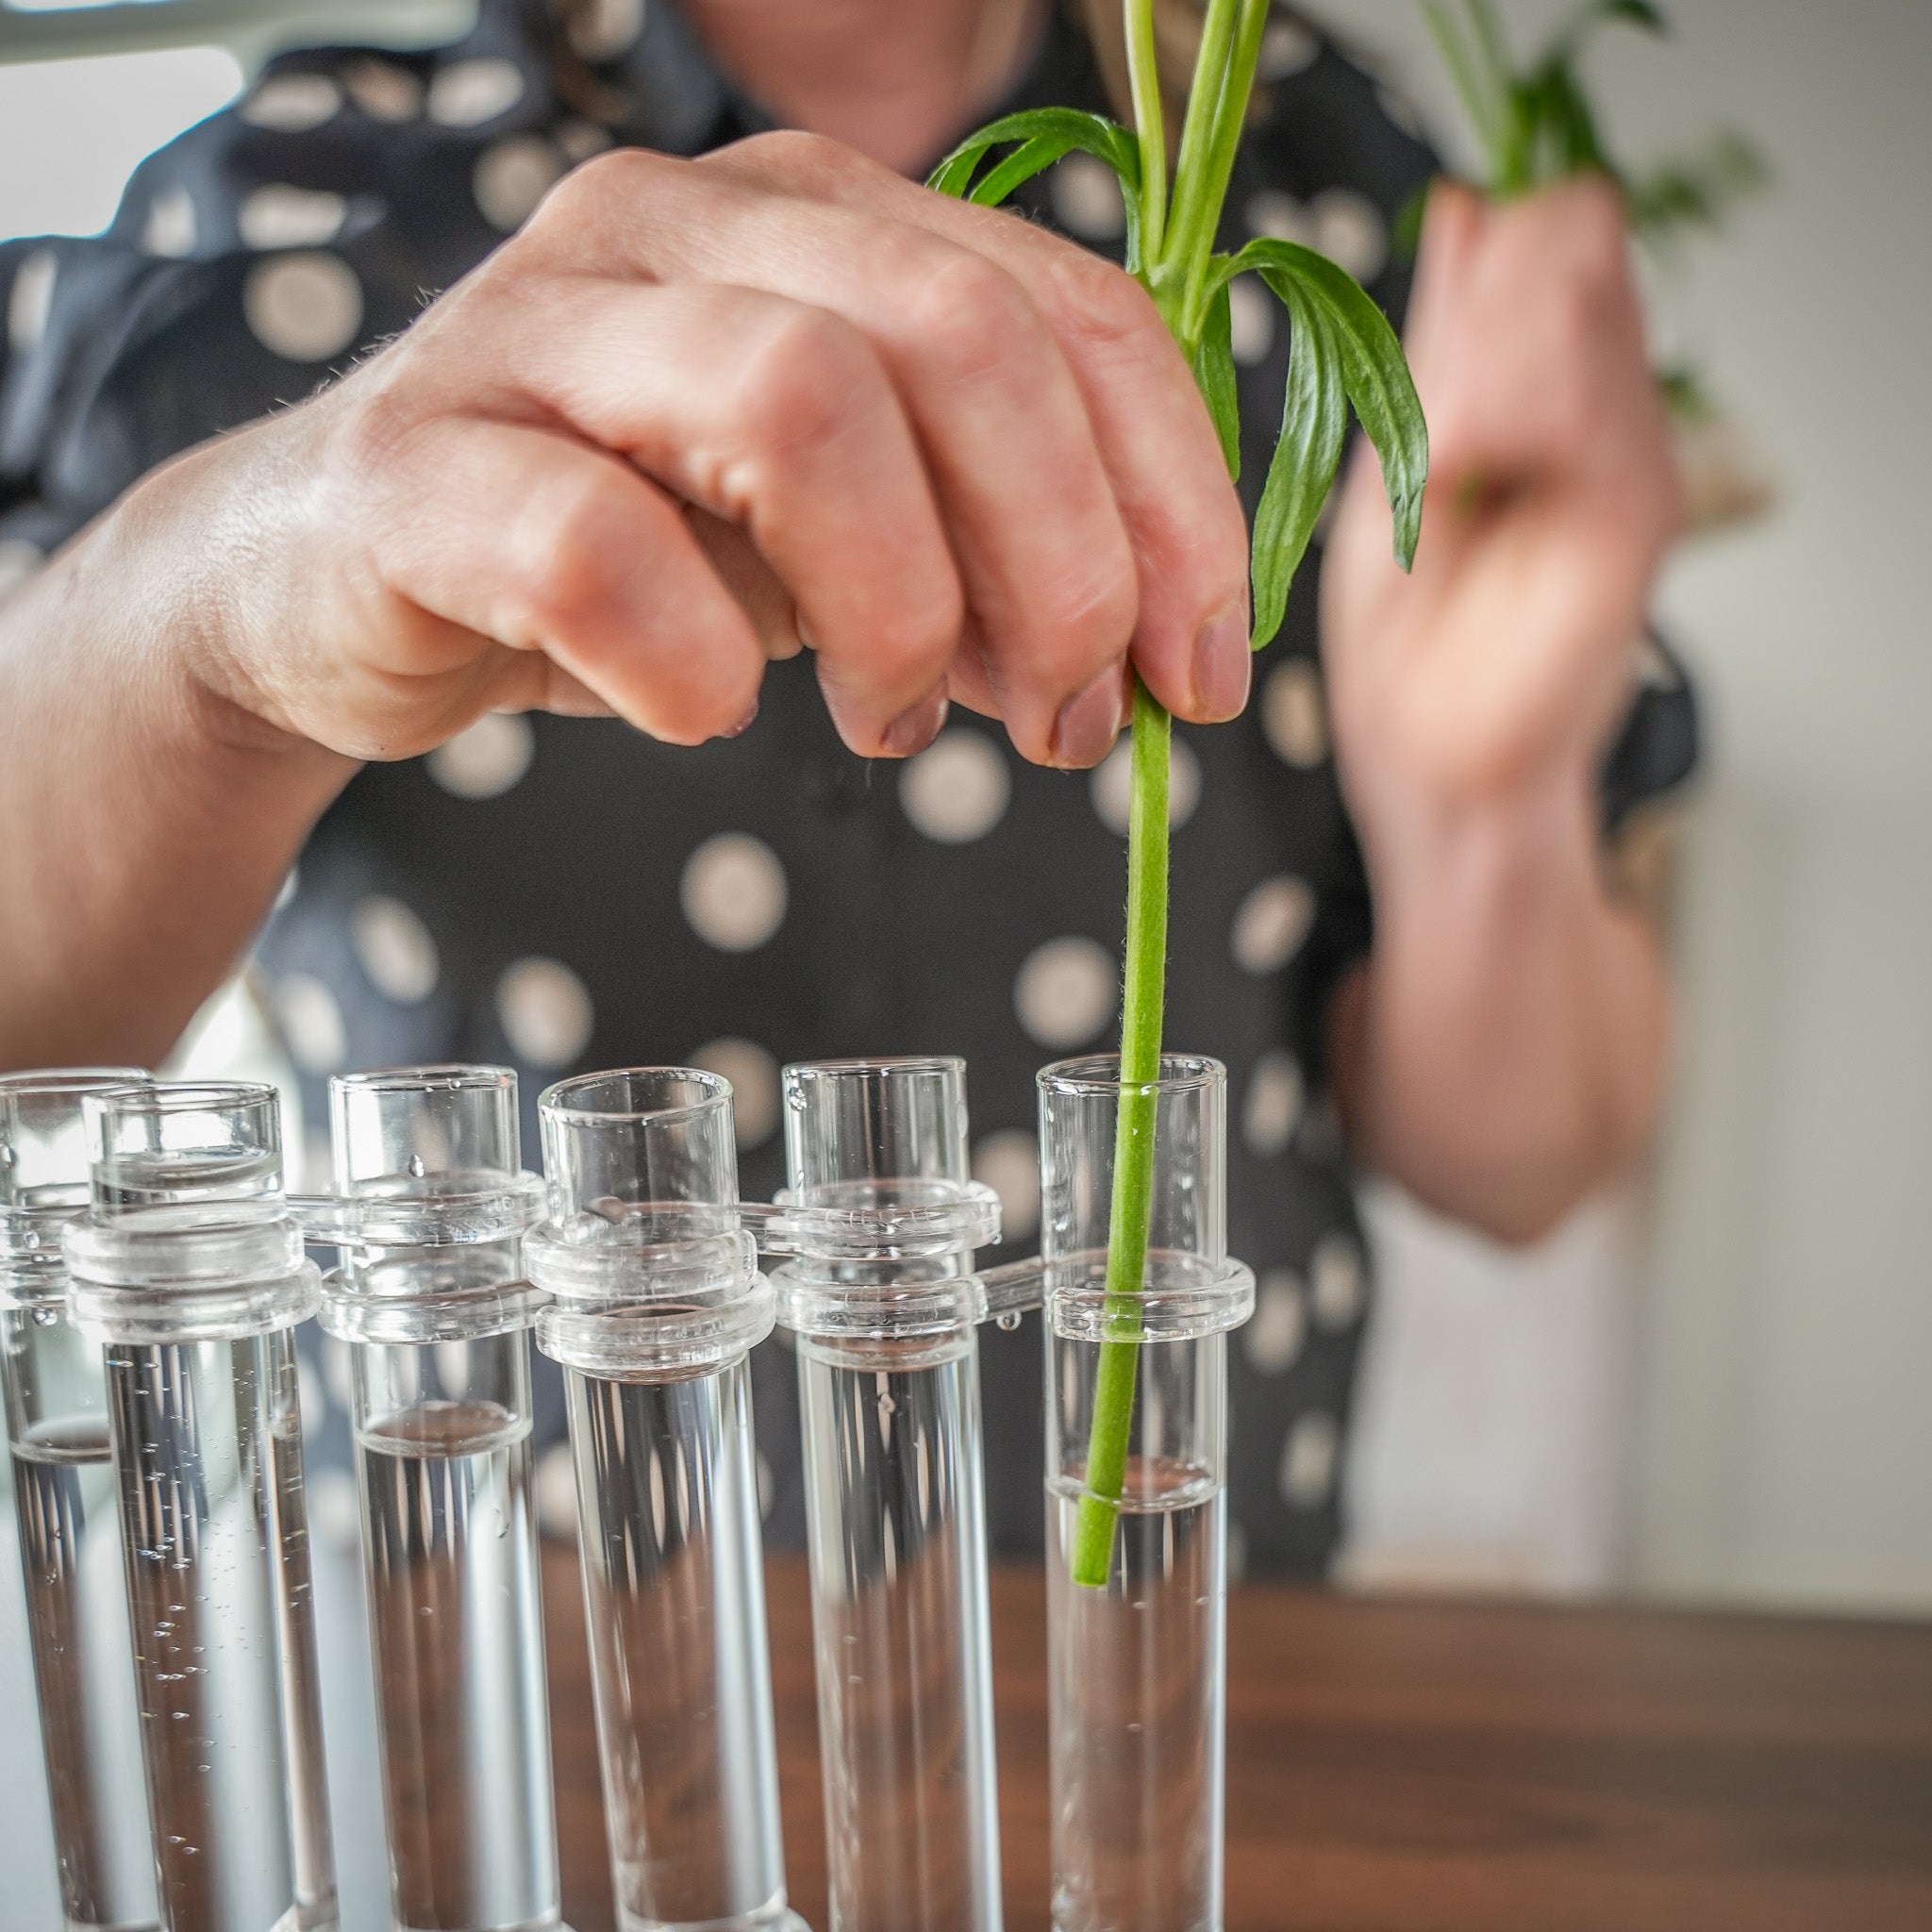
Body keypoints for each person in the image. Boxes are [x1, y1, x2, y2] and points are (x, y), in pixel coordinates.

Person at [0, 0, 1688, 1573]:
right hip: (485, 1680)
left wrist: (1488, 801)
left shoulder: (1349, 195)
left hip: (1194, 1648)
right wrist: (216, 621)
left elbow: (1518, 1164)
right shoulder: (294, 209)